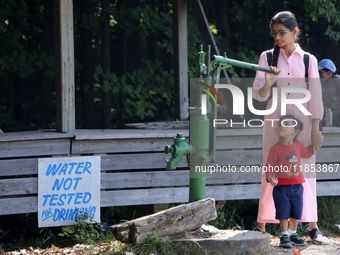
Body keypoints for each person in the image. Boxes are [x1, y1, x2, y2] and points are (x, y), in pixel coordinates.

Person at [252, 11, 329, 245]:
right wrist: (268, 83)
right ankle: (261, 227)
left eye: (281, 32)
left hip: (303, 124)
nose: (277, 37)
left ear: (294, 32)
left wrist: (315, 128)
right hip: (275, 123)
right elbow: (258, 96)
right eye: (273, 33)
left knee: (306, 171)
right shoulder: (266, 57)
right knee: (271, 168)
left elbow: (315, 96)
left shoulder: (309, 60)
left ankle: (312, 228)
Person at [266, 115, 317, 248]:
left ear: (295, 132)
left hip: (297, 186)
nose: (282, 126)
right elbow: (270, 166)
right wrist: (270, 178)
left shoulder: (299, 145)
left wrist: (317, 144)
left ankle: (293, 234)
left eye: (286, 124)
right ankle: (284, 235)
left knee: (296, 211)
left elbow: (308, 154)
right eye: (281, 124)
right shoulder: (275, 148)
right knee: (283, 212)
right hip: (281, 187)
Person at [318, 59, 340, 127]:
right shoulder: (321, 83)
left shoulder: (337, 80)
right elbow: (323, 102)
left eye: (321, 72)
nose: (319, 75)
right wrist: (324, 116)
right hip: (331, 117)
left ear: (329, 72)